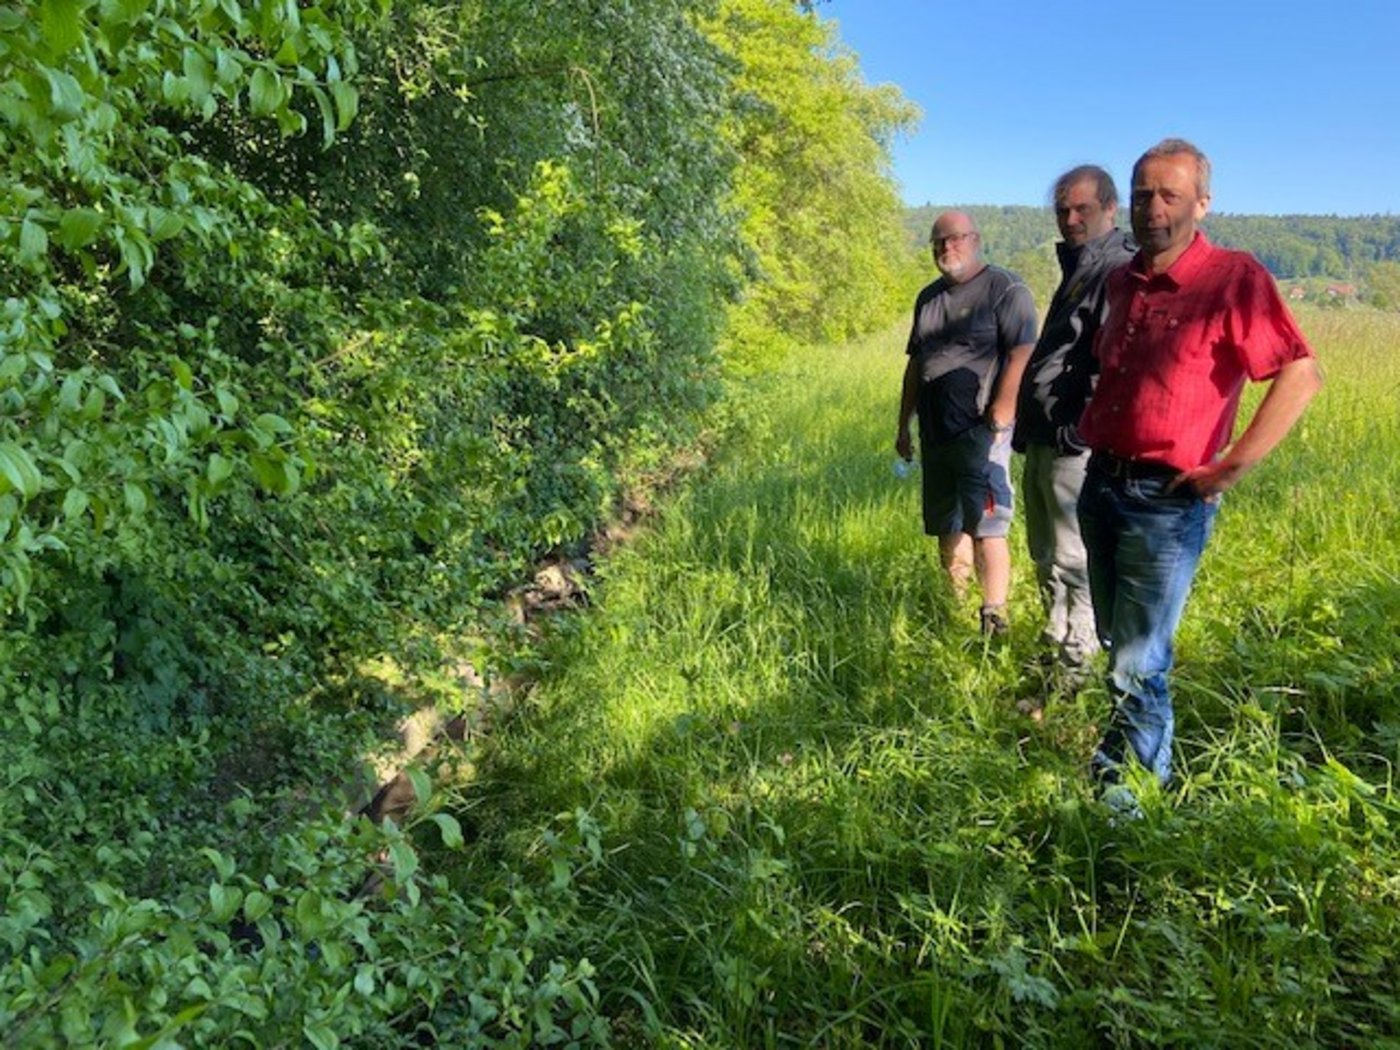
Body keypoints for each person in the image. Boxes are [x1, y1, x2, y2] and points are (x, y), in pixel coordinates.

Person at [1076, 138, 1323, 792]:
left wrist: (1230, 467)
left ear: (1202, 203)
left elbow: (1300, 373)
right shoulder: (1122, 280)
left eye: (1169, 196)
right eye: (1140, 195)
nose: (1151, 209)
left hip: (1165, 502)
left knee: (1139, 661)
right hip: (1100, 483)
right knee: (1118, 646)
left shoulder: (1232, 279)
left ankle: (1129, 803)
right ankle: (1120, 771)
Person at [1013, 166, 1135, 694]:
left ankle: (1076, 665)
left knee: (1071, 555)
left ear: (1111, 208)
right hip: (1046, 433)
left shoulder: (1116, 266)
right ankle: (1054, 642)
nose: (1070, 219)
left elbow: (1113, 358)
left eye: (1082, 208)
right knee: (1044, 550)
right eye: (1063, 209)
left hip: (1073, 440)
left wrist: (1080, 426)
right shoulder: (1081, 266)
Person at [895, 211, 1038, 634]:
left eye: (955, 239)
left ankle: (994, 613)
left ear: (974, 239)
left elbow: (1022, 350)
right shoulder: (928, 298)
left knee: (987, 525)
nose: (946, 249)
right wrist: (904, 425)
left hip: (981, 431)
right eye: (938, 242)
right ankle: (954, 608)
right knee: (947, 522)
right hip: (936, 431)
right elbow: (915, 365)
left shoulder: (1004, 288)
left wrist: (1003, 409)